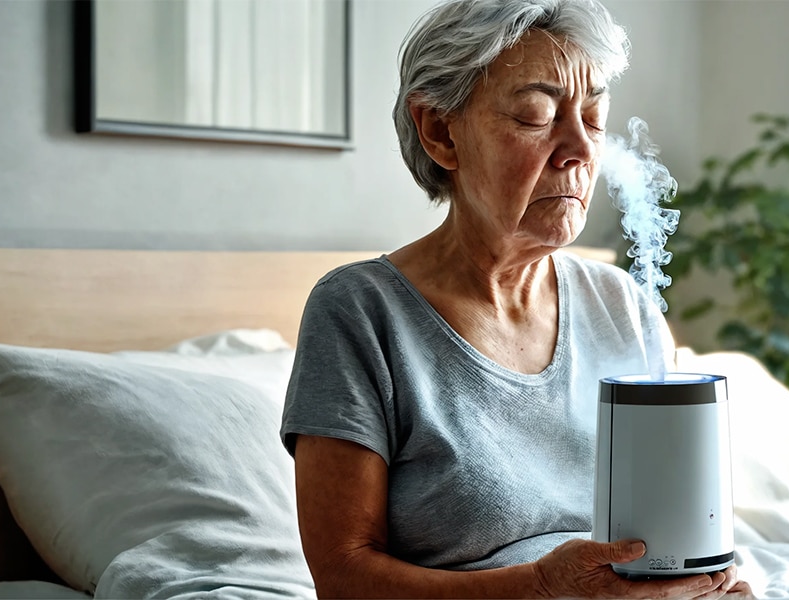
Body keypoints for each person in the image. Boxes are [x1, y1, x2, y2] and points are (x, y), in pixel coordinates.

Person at [280, 0, 753, 597]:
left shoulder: (622, 305)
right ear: (439, 132)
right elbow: (343, 578)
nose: (579, 149)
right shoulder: (360, 313)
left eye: (595, 118)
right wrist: (540, 589)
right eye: (535, 116)